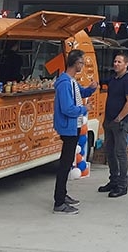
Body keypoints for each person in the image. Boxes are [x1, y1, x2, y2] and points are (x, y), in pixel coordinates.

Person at [52, 49, 98, 214]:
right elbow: (67, 108)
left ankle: (62, 195)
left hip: (73, 125)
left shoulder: (71, 81)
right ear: (75, 63)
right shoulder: (65, 83)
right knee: (65, 164)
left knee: (67, 162)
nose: (83, 65)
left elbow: (81, 93)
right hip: (68, 126)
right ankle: (59, 202)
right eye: (82, 63)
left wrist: (91, 89)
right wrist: (84, 108)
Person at [98, 53, 128, 198]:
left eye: (119, 62)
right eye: (115, 61)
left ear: (126, 64)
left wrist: (120, 118)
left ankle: (122, 184)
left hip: (120, 122)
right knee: (110, 152)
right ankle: (113, 180)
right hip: (109, 121)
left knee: (121, 153)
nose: (116, 64)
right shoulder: (113, 80)